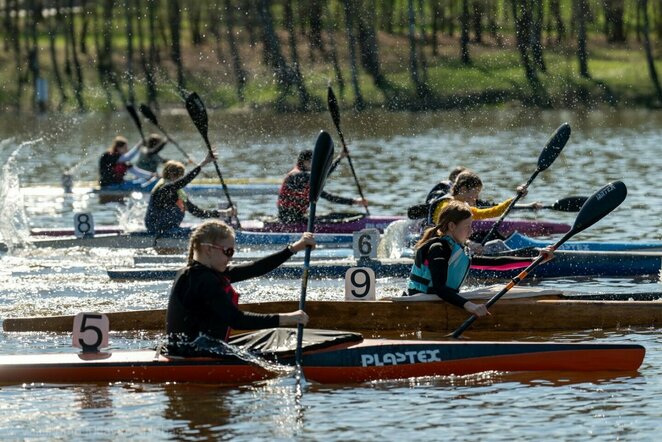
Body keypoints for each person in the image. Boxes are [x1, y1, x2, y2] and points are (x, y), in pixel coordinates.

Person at [166, 220, 313, 356]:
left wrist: (294, 248)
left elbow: (255, 269)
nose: (230, 257)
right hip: (192, 353)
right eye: (228, 251)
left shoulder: (201, 273)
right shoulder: (203, 280)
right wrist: (287, 318)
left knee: (271, 336)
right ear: (208, 250)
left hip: (194, 346)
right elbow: (237, 320)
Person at [406, 200, 554, 318]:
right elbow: (439, 288)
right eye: (467, 226)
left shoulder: (456, 250)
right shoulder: (438, 248)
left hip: (440, 299)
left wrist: (534, 260)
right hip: (420, 301)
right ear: (451, 226)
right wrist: (469, 305)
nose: (471, 231)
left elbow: (495, 263)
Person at [144, 149, 236, 235]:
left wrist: (224, 213)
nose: (181, 178)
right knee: (202, 232)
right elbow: (185, 180)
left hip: (168, 228)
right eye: (180, 175)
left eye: (181, 175)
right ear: (172, 174)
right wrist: (204, 163)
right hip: (156, 229)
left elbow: (197, 212)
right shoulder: (164, 189)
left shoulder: (178, 192)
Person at [277, 149, 369, 224]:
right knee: (332, 220)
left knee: (333, 215)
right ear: (305, 162)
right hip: (290, 220)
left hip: (295, 217)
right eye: (313, 162)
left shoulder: (304, 178)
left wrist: (340, 157)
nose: (315, 165)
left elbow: (323, 179)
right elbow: (327, 190)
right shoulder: (298, 176)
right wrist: (354, 202)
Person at [428, 170, 542, 227]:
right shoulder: (446, 206)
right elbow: (441, 231)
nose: (477, 197)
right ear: (463, 189)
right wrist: (469, 244)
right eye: (475, 193)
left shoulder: (462, 207)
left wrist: (516, 197)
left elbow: (493, 212)